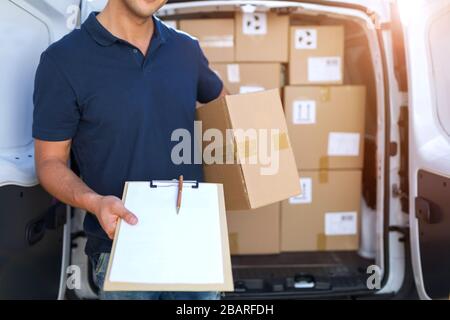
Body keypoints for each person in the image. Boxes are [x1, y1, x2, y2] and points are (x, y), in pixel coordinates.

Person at [33, 0, 225, 300]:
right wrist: (95, 202)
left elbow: (228, 114)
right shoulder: (63, 60)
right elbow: (49, 162)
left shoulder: (186, 50)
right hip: (121, 249)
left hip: (193, 245)